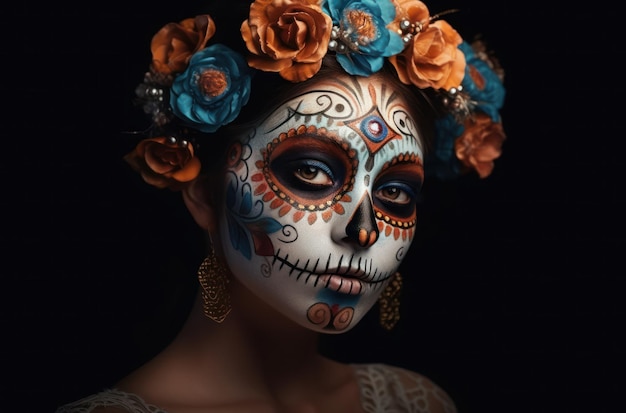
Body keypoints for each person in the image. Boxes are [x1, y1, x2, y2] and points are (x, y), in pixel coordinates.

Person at [56, 0, 506, 411]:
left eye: (395, 193)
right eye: (310, 172)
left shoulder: (416, 404)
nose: (364, 230)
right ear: (203, 194)